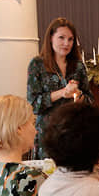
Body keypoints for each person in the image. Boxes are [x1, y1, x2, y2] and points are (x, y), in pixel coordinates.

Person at [27, 18, 93, 159]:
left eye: (70, 39)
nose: (66, 43)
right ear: (51, 38)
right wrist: (62, 93)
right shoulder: (37, 64)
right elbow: (33, 105)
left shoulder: (78, 66)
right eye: (61, 38)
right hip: (48, 135)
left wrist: (78, 94)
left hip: (74, 133)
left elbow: (90, 102)